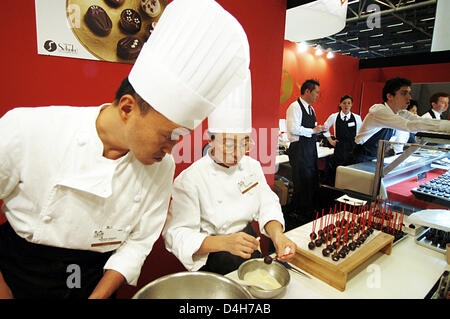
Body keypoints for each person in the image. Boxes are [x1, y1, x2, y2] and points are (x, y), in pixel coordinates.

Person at [0, 0, 251, 299]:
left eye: (179, 138)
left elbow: (139, 242)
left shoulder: (161, 166)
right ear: (128, 108)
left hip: (97, 279)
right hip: (18, 276)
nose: (170, 151)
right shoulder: (25, 129)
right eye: (167, 136)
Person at [163, 77, 296, 275]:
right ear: (210, 139)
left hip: (250, 246)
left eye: (244, 143)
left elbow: (267, 203)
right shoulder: (190, 179)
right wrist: (224, 242)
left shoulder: (252, 166)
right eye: (228, 144)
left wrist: (278, 236)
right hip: (212, 256)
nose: (238, 153)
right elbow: (176, 234)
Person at [352, 77, 450, 164]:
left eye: (409, 93)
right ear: (389, 96)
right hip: (360, 158)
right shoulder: (379, 110)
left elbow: (418, 120)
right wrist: (447, 126)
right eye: (404, 93)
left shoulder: (400, 112)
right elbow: (408, 125)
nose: (409, 97)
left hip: (375, 158)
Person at [286, 79, 326, 222]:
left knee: (311, 179)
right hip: (299, 149)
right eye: (316, 92)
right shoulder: (294, 107)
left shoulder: (311, 109)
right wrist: (313, 130)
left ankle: (307, 211)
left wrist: (319, 130)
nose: (317, 96)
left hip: (309, 148)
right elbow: (293, 129)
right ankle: (297, 213)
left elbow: (312, 128)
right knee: (301, 181)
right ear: (307, 91)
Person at [322, 95, 362, 185]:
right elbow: (325, 128)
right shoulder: (334, 116)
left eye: (349, 103)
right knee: (338, 172)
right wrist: (330, 141)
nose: (346, 105)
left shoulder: (357, 118)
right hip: (340, 148)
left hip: (352, 148)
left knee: (350, 172)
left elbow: (361, 133)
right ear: (340, 104)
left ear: (352, 105)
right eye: (344, 103)